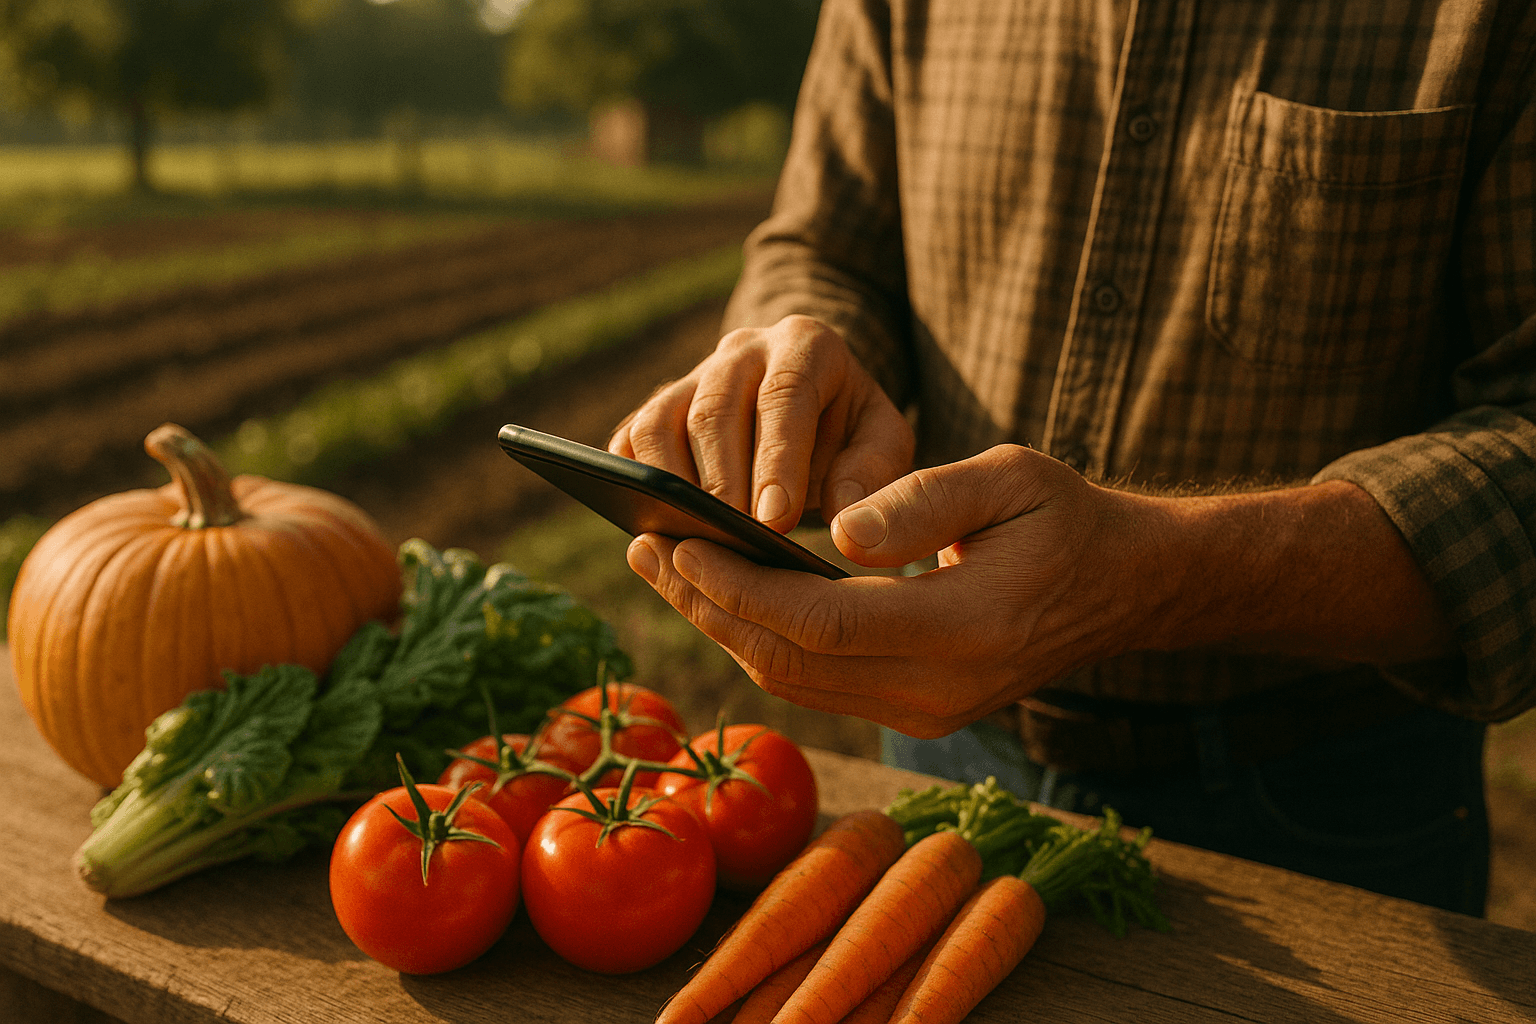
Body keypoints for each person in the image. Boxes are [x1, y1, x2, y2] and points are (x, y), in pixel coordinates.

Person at [609, 0, 1535, 916]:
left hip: (1326, 802)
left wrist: (1157, 574)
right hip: (942, 757)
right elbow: (824, 241)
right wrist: (802, 359)